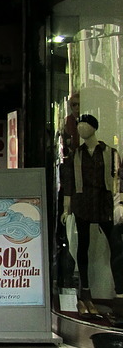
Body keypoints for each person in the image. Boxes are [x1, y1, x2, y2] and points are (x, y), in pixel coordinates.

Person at [61, 114, 122, 318]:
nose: (80, 128)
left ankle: (120, 292)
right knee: (82, 249)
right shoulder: (75, 155)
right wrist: (66, 207)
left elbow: (117, 180)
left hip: (105, 205)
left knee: (116, 247)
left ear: (94, 128)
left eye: (84, 125)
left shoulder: (110, 153)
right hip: (83, 204)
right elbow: (68, 184)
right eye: (79, 125)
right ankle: (85, 292)